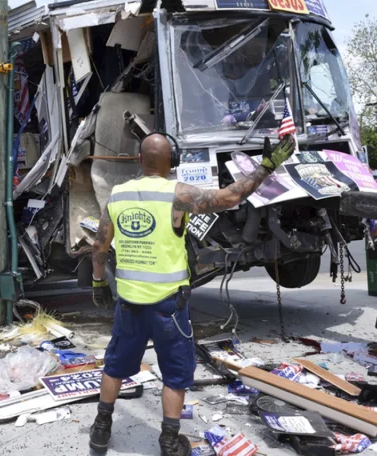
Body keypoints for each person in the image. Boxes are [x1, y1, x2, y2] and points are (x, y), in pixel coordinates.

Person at [88, 133, 296, 455]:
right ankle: (170, 442)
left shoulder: (117, 196)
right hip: (168, 306)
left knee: (115, 364)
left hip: (128, 304)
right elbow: (229, 198)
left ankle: (101, 429)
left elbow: (100, 245)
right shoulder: (177, 194)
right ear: (172, 162)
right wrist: (266, 167)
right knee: (175, 373)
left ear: (140, 160)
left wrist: (99, 283)